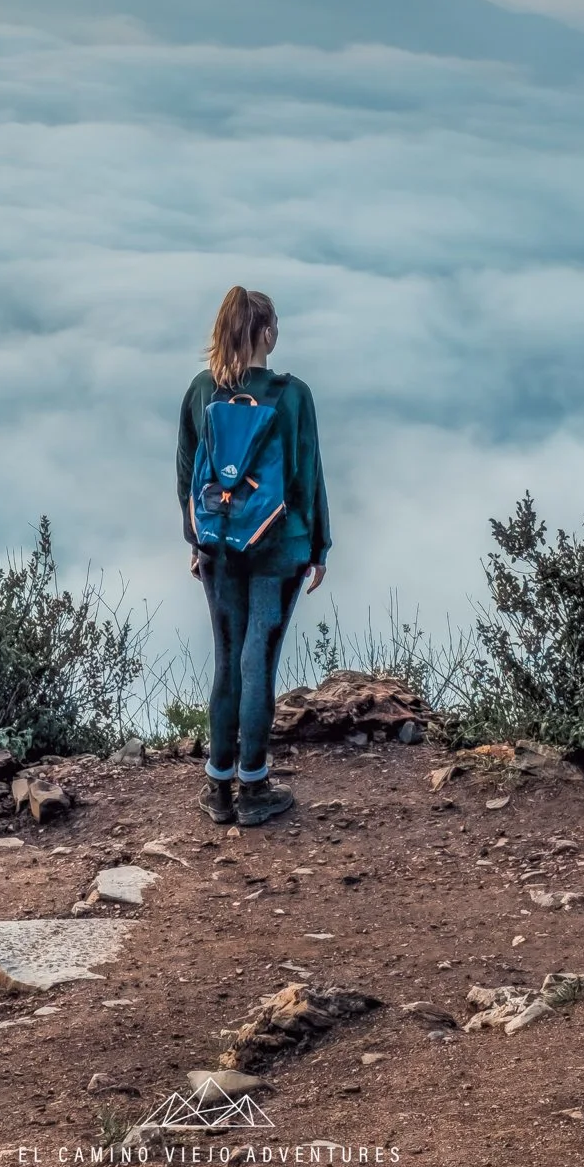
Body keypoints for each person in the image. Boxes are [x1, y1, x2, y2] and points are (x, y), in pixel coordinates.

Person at [176, 287, 330, 826]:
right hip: (278, 547)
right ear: (265, 332)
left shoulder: (202, 391)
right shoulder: (292, 396)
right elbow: (306, 476)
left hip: (218, 545)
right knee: (258, 662)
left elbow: (185, 474)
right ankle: (255, 788)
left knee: (228, 660)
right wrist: (318, 547)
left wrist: (196, 542)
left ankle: (218, 790)